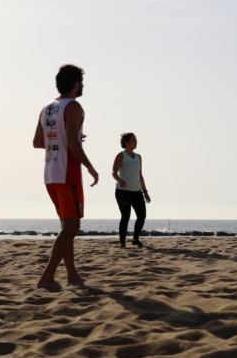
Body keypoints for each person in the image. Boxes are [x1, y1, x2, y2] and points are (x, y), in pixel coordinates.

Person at [32, 64, 99, 289]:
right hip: (67, 173)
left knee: (66, 226)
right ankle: (47, 277)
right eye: (82, 82)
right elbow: (71, 142)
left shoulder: (47, 107)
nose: (83, 86)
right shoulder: (74, 107)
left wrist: (69, 138)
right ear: (76, 83)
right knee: (71, 227)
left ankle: (72, 276)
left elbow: (39, 142)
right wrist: (89, 166)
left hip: (50, 173)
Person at [112, 132, 151, 248]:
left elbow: (140, 175)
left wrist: (145, 192)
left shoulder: (138, 157)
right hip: (123, 192)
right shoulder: (121, 155)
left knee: (142, 216)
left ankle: (135, 239)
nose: (136, 142)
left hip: (137, 191)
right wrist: (119, 180)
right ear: (126, 142)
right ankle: (122, 243)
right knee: (126, 216)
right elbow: (114, 172)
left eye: (136, 140)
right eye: (133, 140)